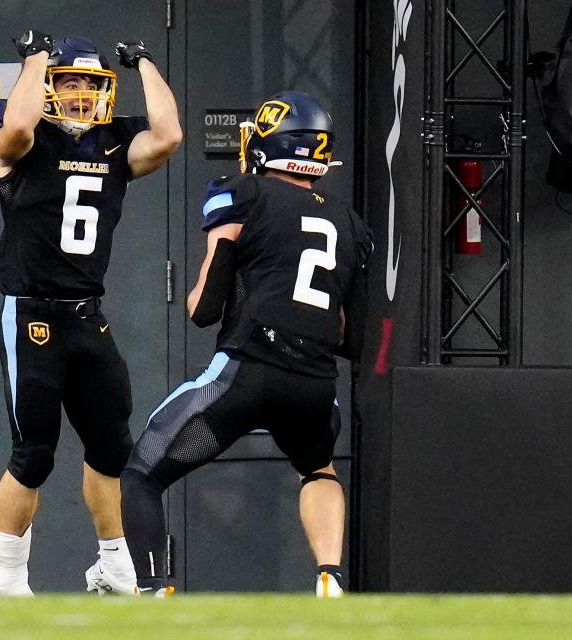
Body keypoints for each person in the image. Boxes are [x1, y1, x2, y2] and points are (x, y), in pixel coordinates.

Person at [120, 91, 371, 597]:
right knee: (318, 470)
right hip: (315, 386)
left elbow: (203, 309)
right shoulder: (350, 222)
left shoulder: (241, 193)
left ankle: (154, 594)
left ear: (266, 145)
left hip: (245, 375)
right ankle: (329, 575)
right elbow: (354, 335)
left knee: (141, 476)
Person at [0, 30, 182, 596]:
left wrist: (144, 64)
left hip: (88, 316)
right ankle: (8, 574)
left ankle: (115, 563)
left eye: (90, 84)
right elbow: (15, 128)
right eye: (69, 83)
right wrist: (36, 60)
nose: (82, 95)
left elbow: (168, 135)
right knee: (34, 453)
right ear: (45, 87)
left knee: (112, 446)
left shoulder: (113, 143)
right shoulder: (19, 136)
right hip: (32, 315)